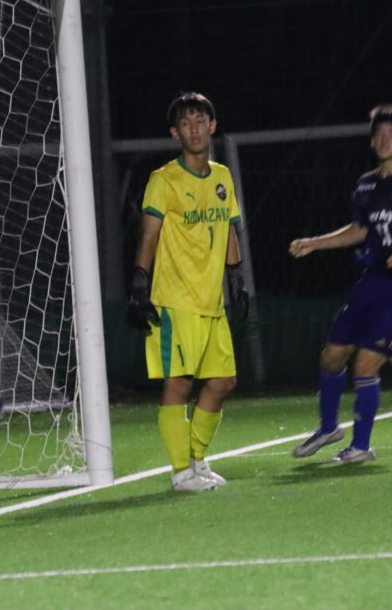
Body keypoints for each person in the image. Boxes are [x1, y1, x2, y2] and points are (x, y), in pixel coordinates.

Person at [290, 104, 392, 463]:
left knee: (366, 365)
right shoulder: (366, 184)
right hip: (370, 280)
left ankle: (360, 447)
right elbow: (359, 230)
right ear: (372, 141)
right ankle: (329, 428)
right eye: (379, 133)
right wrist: (314, 243)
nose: (384, 139)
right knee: (331, 356)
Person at [126, 91, 248, 492]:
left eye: (200, 121)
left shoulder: (222, 176)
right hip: (175, 301)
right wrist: (139, 283)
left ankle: (197, 461)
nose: (193, 130)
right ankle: (181, 473)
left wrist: (236, 279)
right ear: (175, 133)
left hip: (212, 302)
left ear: (212, 126)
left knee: (223, 381)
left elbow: (229, 229)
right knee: (179, 383)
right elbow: (149, 235)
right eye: (185, 124)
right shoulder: (163, 180)